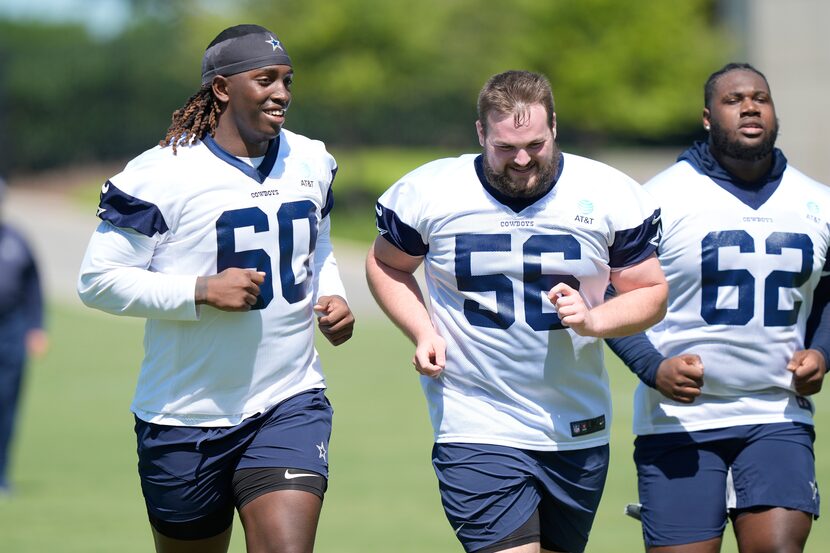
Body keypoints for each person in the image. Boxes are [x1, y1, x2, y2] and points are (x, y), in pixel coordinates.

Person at [77, 24, 355, 553]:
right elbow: (97, 282)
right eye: (265, 79)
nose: (282, 93)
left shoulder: (312, 159)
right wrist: (201, 290)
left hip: (288, 399)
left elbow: (316, 247)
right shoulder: (159, 174)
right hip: (184, 415)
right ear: (222, 88)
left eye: (287, 81)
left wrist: (333, 294)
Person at [365, 70, 668, 553]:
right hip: (475, 418)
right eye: (506, 147)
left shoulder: (610, 193)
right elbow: (386, 265)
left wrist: (594, 320)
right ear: (481, 133)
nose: (523, 159)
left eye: (535, 144)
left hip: (576, 423)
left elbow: (650, 293)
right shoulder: (431, 191)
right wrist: (422, 331)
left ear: (555, 128)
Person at [607, 62, 827, 553]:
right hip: (680, 420)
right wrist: (652, 366)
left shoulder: (818, 201)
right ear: (708, 118)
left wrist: (823, 352)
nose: (750, 106)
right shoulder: (658, 199)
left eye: (760, 98)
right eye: (734, 100)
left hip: (777, 412)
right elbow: (608, 290)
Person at [0, 177, 48, 495]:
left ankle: (1, 475)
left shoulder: (16, 239)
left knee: (7, 405)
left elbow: (34, 287)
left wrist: (36, 327)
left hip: (12, 333)